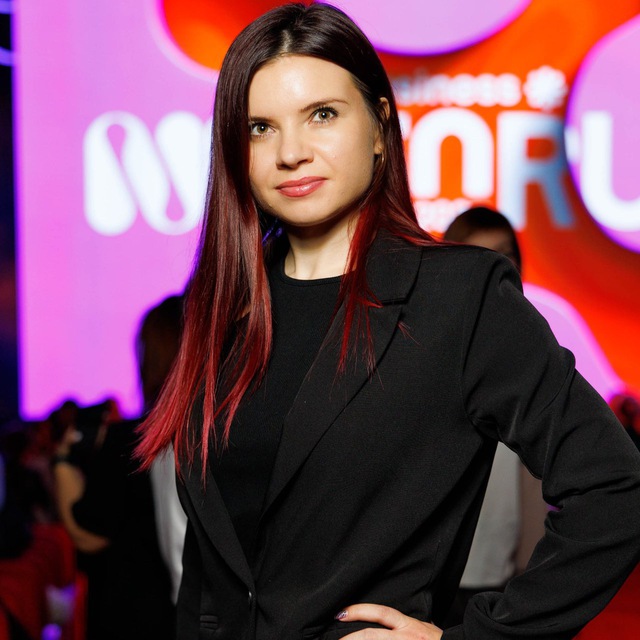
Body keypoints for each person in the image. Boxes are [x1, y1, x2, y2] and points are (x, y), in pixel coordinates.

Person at [136, 4, 640, 639]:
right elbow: (209, 574)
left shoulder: (459, 297)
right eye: (260, 127)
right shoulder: (225, 308)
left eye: (322, 114)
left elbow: (616, 487)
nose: (291, 152)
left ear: (379, 126)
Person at [441, 207, 548, 625]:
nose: (493, 269)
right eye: (477, 257)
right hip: (437, 570)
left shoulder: (537, 351)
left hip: (509, 571)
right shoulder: (428, 350)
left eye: (504, 255)